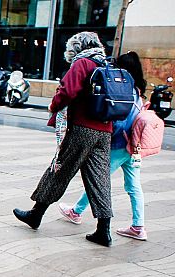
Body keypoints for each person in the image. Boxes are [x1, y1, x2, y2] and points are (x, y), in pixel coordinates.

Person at [13, 31, 114, 246]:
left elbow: (67, 91)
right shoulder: (107, 64)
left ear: (76, 48)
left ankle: (36, 214)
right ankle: (104, 230)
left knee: (58, 170)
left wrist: (53, 105)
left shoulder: (83, 64)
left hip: (81, 128)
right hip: (105, 130)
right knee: (100, 178)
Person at [57, 51, 148, 241]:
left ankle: (76, 211)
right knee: (133, 186)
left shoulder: (124, 88)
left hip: (120, 144)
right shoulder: (138, 91)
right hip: (134, 146)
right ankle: (138, 226)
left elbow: (120, 122)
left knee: (99, 181)